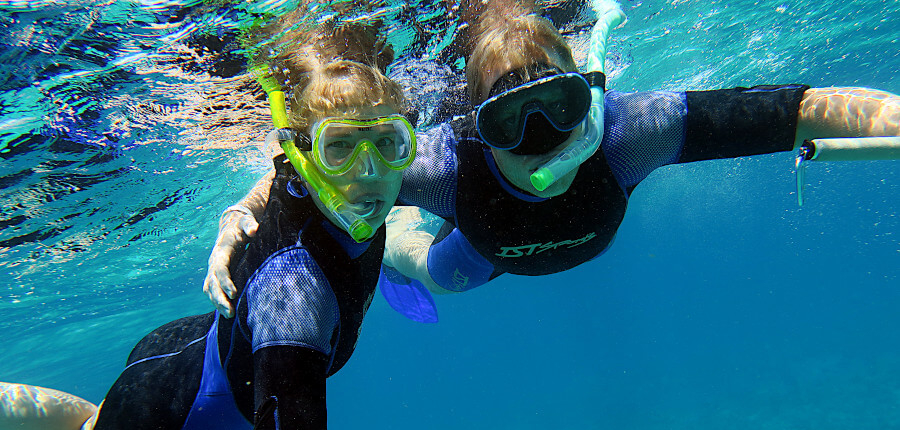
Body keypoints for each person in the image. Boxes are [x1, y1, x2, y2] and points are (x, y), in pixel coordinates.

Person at [205, 0, 900, 319]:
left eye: (558, 107)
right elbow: (303, 171)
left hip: (508, 239)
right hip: (476, 254)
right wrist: (238, 216)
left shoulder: (631, 130)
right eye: (510, 121)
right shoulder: (444, 162)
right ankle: (405, 245)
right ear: (475, 125)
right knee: (438, 275)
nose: (542, 139)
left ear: (588, 95)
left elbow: (802, 107)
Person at [0, 4, 416, 430]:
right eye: (340, 147)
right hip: (159, 418)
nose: (369, 171)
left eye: (388, 142)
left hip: (182, 354)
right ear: (304, 155)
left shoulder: (341, 183)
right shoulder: (293, 293)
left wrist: (234, 217)